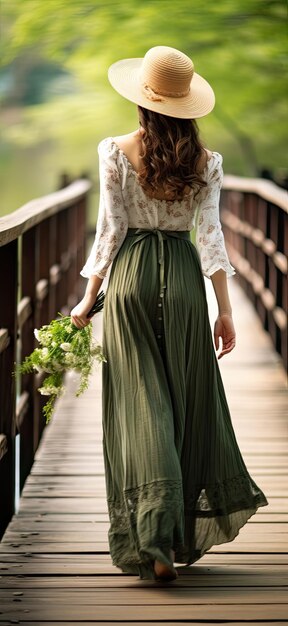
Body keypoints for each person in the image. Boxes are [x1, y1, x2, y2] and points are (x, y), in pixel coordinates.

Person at [71, 46, 268, 582]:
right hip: (183, 281)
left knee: (142, 404)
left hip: (131, 280)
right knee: (182, 401)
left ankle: (153, 534)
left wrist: (89, 300)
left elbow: (110, 232)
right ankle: (174, 530)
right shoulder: (208, 163)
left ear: (142, 100)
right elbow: (210, 237)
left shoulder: (115, 149)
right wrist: (225, 310)